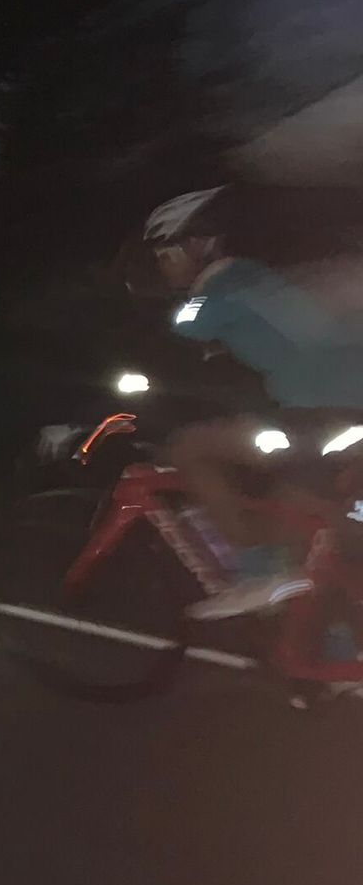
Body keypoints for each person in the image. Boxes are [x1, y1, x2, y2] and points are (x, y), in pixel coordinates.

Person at [143, 186, 363, 619]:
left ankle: (258, 574)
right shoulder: (251, 280)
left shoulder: (221, 286)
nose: (162, 267)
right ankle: (331, 639)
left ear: (198, 246)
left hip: (324, 412)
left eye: (166, 255)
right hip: (329, 407)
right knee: (308, 520)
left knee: (191, 449)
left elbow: (184, 327)